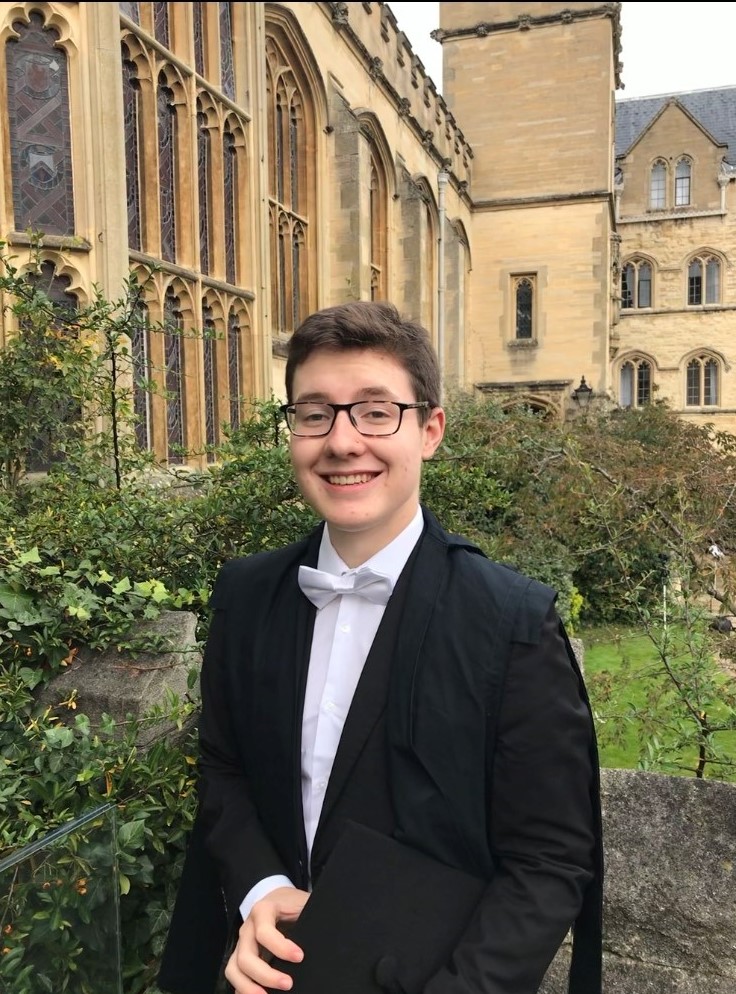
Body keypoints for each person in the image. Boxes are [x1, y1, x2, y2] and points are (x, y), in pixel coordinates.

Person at [158, 300, 603, 994]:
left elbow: (548, 861)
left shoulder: (512, 622)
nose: (341, 441)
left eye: (374, 411)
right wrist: (259, 887)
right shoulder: (246, 595)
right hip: (259, 972)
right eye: (314, 413)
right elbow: (224, 769)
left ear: (429, 431)